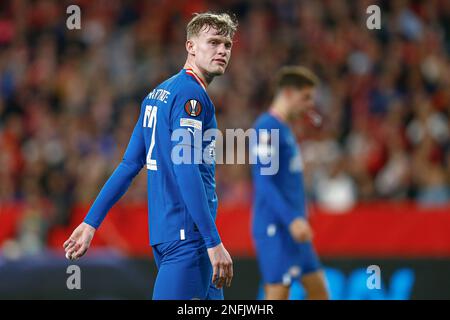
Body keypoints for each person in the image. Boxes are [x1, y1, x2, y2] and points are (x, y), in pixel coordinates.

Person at [63, 12, 238, 300]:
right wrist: (213, 241)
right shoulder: (191, 97)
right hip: (189, 238)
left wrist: (91, 221)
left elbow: (130, 164)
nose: (222, 50)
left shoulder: (158, 93)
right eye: (214, 42)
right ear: (190, 46)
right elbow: (186, 169)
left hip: (168, 233)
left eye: (227, 45)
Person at [251, 66, 329, 300]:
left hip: (295, 230)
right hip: (276, 227)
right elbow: (263, 182)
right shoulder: (266, 127)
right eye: (305, 97)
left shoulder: (284, 130)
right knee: (278, 292)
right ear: (286, 93)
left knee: (319, 292)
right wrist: (291, 218)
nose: (309, 105)